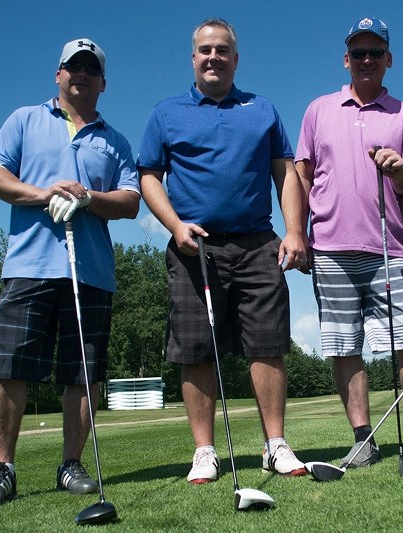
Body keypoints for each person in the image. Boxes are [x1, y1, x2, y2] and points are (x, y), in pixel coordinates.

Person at [138, 18, 309, 484]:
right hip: (195, 247)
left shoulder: (263, 109)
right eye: (204, 50)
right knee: (196, 349)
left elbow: (286, 173)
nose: (213, 57)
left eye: (222, 50)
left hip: (258, 243)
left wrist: (295, 231)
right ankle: (205, 451)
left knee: (269, 345)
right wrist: (174, 225)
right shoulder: (166, 113)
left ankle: (275, 445)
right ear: (193, 58)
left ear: (236, 58)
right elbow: (149, 175)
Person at [0, 38, 141, 508]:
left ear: (103, 82)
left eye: (90, 69)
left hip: (90, 273)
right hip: (28, 266)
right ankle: (2, 468)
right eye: (73, 67)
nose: (80, 75)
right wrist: (45, 193)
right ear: (58, 74)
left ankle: (71, 464)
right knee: (9, 368)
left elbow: (130, 202)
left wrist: (88, 197)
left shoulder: (115, 140)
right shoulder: (24, 119)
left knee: (81, 375)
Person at [295, 17, 403, 470]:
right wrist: (297, 232)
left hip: (388, 246)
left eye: (375, 52)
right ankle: (363, 440)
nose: (367, 60)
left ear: (388, 60)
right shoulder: (318, 109)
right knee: (344, 347)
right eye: (359, 52)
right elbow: (301, 176)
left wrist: (396, 171)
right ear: (346, 59)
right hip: (329, 249)